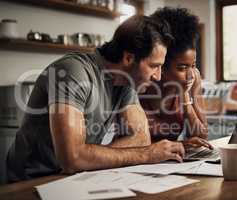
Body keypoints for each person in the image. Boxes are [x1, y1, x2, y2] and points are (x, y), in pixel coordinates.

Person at [6, 15, 186, 182]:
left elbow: (141, 139)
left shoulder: (126, 83)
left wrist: (90, 156)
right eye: (154, 66)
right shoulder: (73, 72)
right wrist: (147, 155)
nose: (158, 76)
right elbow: (72, 158)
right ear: (129, 58)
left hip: (74, 177)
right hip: (31, 181)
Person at [140, 7, 211, 149]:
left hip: (170, 164)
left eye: (193, 65)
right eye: (182, 67)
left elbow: (201, 136)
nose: (191, 74)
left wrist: (184, 95)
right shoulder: (142, 83)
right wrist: (178, 144)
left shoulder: (193, 78)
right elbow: (132, 143)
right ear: (161, 65)